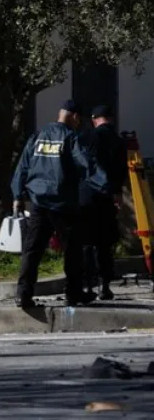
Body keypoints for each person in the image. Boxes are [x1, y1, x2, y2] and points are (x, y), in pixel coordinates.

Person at [10, 99, 110, 308]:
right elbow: (86, 165)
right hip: (63, 204)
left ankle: (23, 295)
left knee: (32, 250)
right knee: (73, 250)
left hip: (38, 203)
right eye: (78, 121)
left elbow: (22, 167)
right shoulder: (70, 137)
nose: (78, 124)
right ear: (74, 116)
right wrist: (106, 185)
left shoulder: (37, 136)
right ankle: (73, 293)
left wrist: (18, 196)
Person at [78, 105, 127, 300]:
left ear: (94, 119)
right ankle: (105, 286)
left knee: (87, 242)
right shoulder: (119, 141)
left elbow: (83, 164)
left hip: (88, 195)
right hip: (108, 196)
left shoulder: (88, 137)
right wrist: (116, 192)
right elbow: (122, 170)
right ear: (111, 119)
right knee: (104, 243)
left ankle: (88, 285)